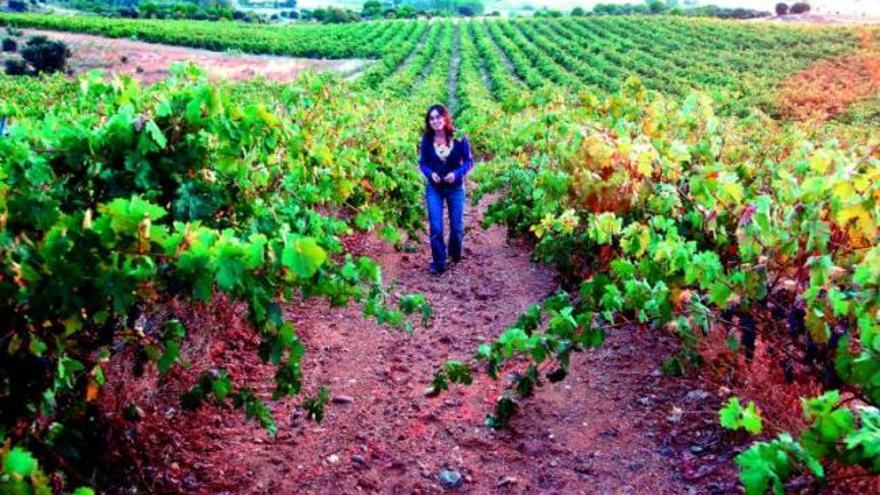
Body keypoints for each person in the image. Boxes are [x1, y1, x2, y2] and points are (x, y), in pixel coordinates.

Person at [418, 104, 474, 275]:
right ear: (429, 122)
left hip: (455, 188)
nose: (435, 121)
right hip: (434, 188)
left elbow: (469, 161)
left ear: (445, 118)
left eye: (438, 117)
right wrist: (430, 174)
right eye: (432, 118)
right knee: (436, 227)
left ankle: (454, 254)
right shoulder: (427, 140)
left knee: (456, 227)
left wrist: (457, 174)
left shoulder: (459, 137)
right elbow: (422, 162)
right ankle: (438, 261)